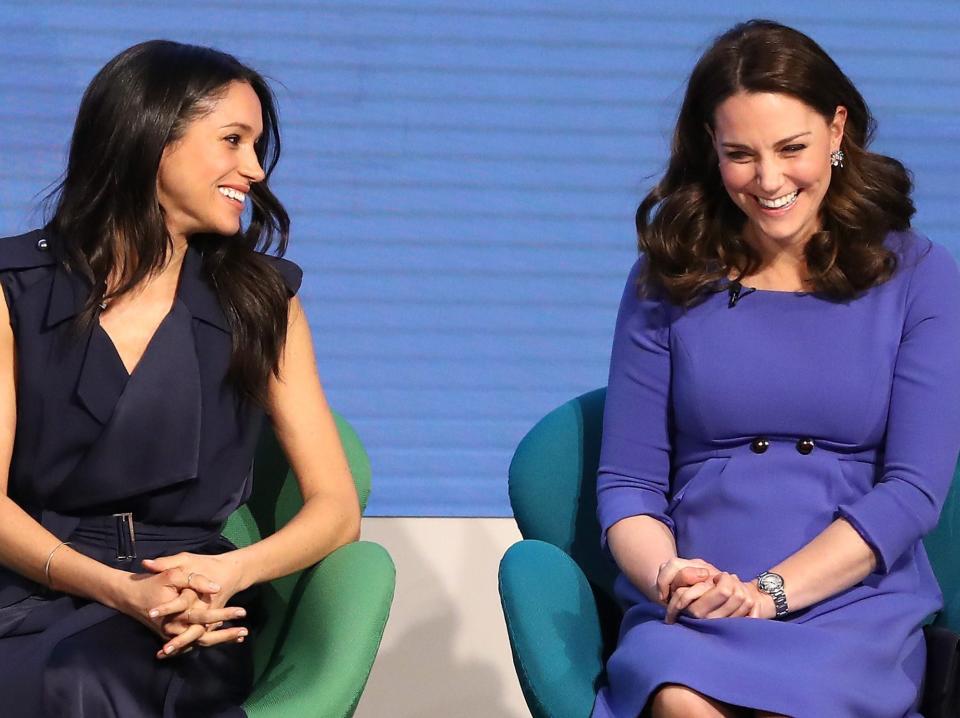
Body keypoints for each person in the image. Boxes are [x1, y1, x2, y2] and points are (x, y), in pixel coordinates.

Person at [594, 19, 960, 718]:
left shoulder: (919, 273)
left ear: (837, 130)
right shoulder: (665, 278)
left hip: (852, 600)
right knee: (679, 700)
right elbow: (629, 486)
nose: (768, 181)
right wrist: (672, 575)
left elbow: (913, 490)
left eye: (791, 148)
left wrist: (773, 592)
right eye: (740, 154)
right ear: (711, 148)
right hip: (701, 597)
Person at [0, 40, 360, 716]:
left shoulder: (262, 301)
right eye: (233, 140)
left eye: (257, 146)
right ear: (150, 137)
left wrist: (229, 573)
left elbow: (336, 508)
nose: (254, 170)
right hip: (27, 580)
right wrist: (113, 587)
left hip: (188, 598)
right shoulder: (11, 288)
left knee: (82, 681)